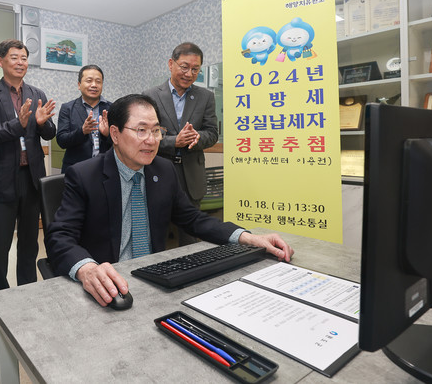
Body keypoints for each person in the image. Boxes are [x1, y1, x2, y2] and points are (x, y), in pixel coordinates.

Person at [45, 94, 293, 307]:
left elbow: (193, 219)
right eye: (141, 130)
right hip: (108, 284)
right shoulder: (85, 175)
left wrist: (247, 237)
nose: (151, 140)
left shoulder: (163, 170)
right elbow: (60, 236)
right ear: (115, 134)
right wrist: (87, 269)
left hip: (154, 282)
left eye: (156, 130)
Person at [0, 39, 57, 292]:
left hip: (31, 179)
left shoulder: (37, 94)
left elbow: (50, 133)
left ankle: (27, 290)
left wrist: (42, 123)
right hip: (1, 179)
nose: (21, 62)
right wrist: (17, 124)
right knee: (0, 244)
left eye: (24, 58)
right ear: (0, 61)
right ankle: (0, 295)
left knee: (30, 242)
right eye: (14, 57)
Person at [143, 42, 218, 246]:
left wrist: (197, 137)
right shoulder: (150, 96)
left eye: (195, 69)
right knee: (157, 232)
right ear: (171, 64)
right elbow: (145, 133)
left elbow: (212, 133)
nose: (189, 74)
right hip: (158, 171)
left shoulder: (206, 97)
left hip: (191, 175)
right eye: (184, 67)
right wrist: (173, 141)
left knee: (190, 235)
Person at [56, 64, 112, 174]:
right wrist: (82, 131)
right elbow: (62, 141)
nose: (94, 85)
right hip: (76, 170)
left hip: (105, 169)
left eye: (98, 81)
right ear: (79, 85)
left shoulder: (112, 108)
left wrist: (107, 134)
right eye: (89, 81)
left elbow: (121, 142)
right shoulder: (67, 108)